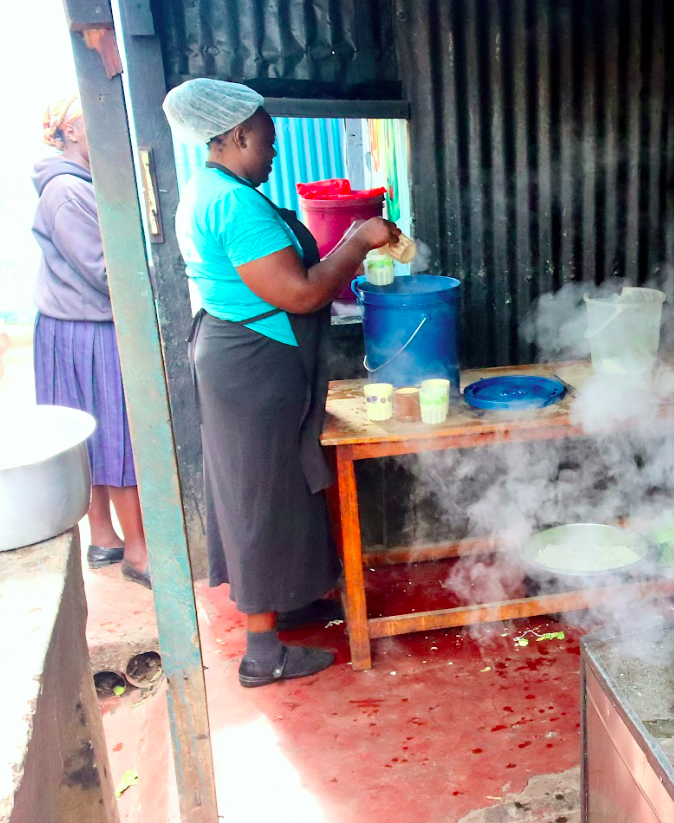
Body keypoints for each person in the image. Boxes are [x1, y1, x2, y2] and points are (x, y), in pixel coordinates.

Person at [164, 79, 401, 687]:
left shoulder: (213, 187)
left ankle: (287, 601)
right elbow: (300, 291)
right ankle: (262, 652)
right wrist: (358, 238)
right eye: (267, 141)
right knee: (260, 495)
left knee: (276, 486)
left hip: (243, 352)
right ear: (237, 135)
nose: (274, 152)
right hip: (252, 362)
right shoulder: (234, 204)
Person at [32, 94, 149, 584]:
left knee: (92, 438)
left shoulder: (77, 183)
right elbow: (105, 272)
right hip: (88, 328)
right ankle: (138, 552)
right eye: (91, 117)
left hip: (69, 326)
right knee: (116, 439)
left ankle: (104, 538)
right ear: (71, 131)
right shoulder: (66, 191)